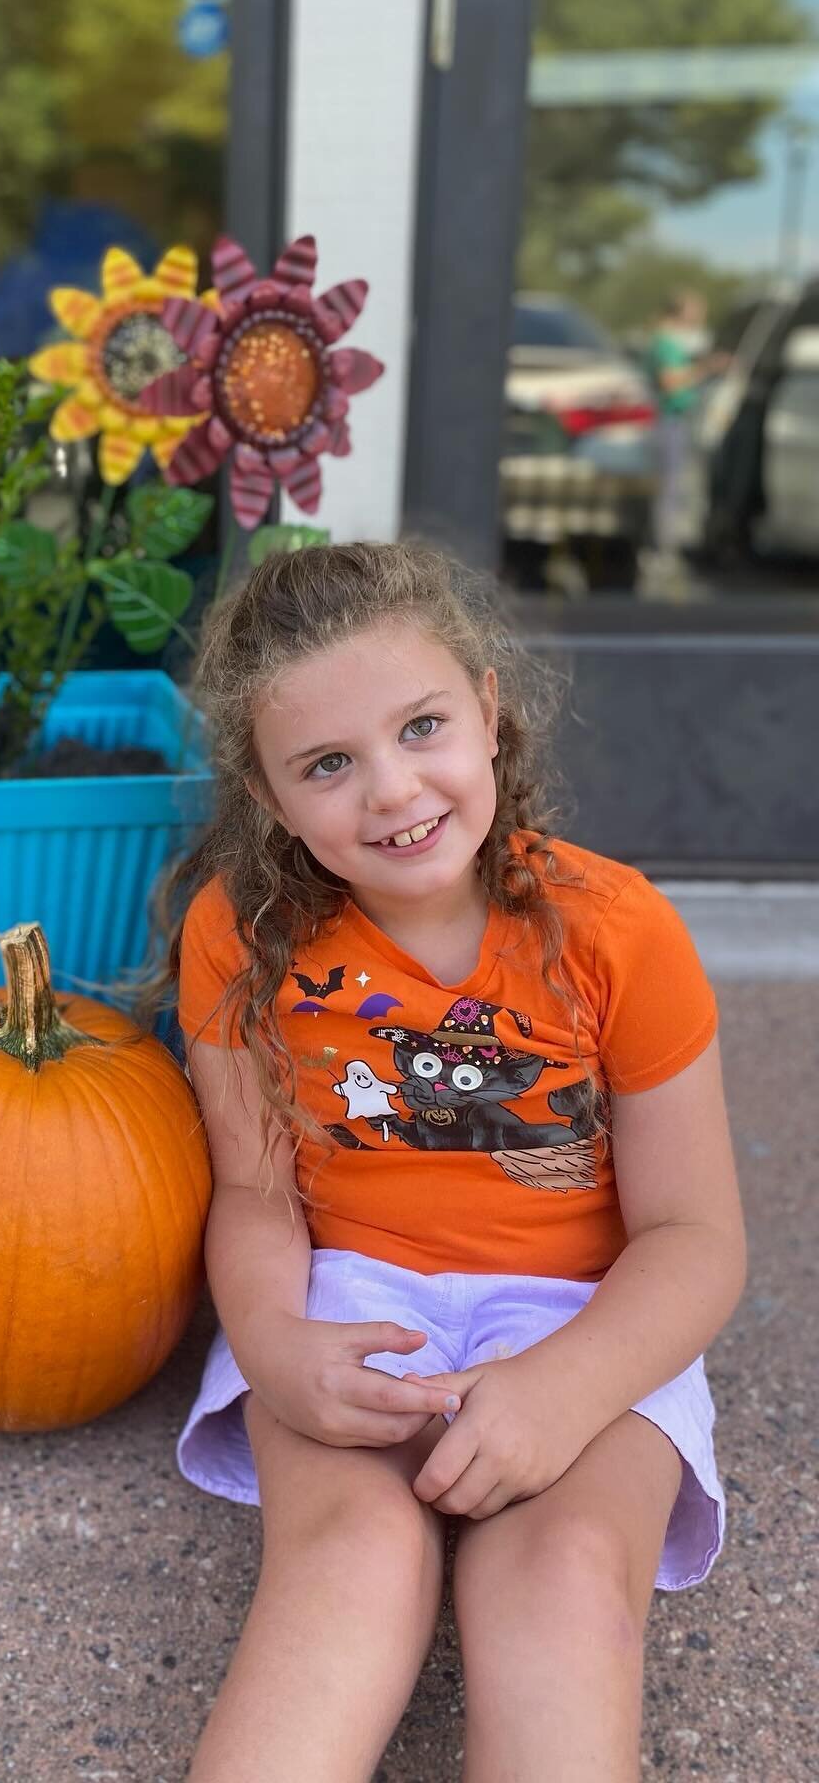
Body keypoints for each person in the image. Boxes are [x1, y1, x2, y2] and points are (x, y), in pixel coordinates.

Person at [134, 541, 744, 1781]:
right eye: (328, 765)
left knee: (562, 1580)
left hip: (589, 1318)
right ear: (266, 795)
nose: (393, 791)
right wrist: (275, 1349)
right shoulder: (240, 937)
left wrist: (566, 1390)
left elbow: (697, 1239)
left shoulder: (618, 932)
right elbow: (253, 1193)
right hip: (354, 1304)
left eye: (422, 727)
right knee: (352, 1566)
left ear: (487, 705)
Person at [646, 290, 727, 557]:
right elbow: (670, 382)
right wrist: (705, 368)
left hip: (676, 419)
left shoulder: (670, 342)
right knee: (670, 484)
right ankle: (664, 545)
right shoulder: (666, 342)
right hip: (668, 419)